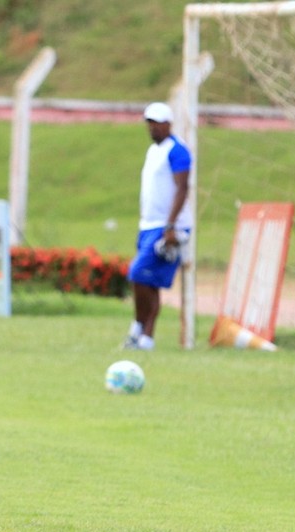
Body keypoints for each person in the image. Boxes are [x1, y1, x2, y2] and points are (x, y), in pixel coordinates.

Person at [124, 101, 194, 351]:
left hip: (167, 227)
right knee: (148, 282)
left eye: (157, 123)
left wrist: (171, 225)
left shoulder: (177, 150)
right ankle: (144, 337)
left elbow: (182, 188)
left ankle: (140, 328)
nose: (152, 128)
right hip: (148, 225)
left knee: (137, 272)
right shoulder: (153, 151)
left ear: (168, 124)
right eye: (149, 123)